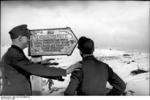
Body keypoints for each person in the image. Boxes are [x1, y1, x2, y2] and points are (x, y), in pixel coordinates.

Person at [0, 24, 81, 95]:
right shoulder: (14, 55)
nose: (29, 40)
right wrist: (66, 71)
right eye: (27, 37)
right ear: (20, 38)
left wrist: (43, 64)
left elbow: (28, 67)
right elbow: (34, 69)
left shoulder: (14, 53)